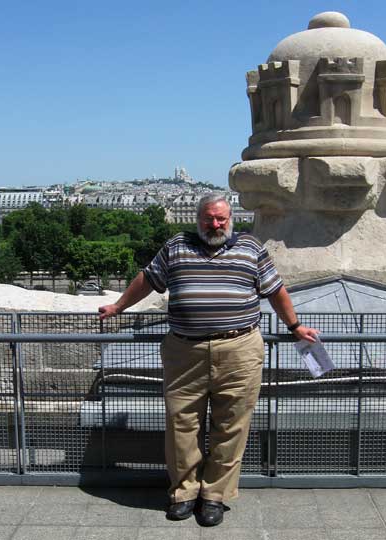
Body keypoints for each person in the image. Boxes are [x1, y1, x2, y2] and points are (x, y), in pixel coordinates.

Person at [99, 193, 319, 526]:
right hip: (184, 350)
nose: (215, 224)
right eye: (208, 218)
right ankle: (183, 492)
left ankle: (214, 495)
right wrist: (119, 306)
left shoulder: (251, 248)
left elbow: (275, 290)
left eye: (221, 218)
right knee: (181, 423)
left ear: (232, 219)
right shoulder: (177, 246)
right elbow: (148, 279)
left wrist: (295, 325)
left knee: (231, 425)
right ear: (197, 218)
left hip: (239, 349)